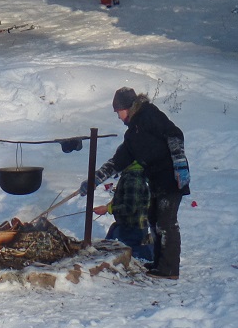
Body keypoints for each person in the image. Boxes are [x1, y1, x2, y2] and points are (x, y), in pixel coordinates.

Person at [80, 87, 188, 279]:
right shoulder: (132, 135)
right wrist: (94, 180)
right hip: (155, 179)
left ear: (127, 107)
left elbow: (174, 134)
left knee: (166, 223)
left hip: (171, 176)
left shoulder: (149, 114)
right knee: (154, 221)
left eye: (118, 112)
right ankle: (159, 264)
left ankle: (170, 270)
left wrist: (179, 162)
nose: (118, 117)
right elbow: (118, 160)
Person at [92, 160, 154, 261]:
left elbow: (130, 208)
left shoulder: (133, 180)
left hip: (133, 227)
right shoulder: (129, 175)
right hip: (127, 224)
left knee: (126, 255)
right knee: (110, 246)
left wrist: (108, 209)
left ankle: (151, 253)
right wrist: (113, 203)